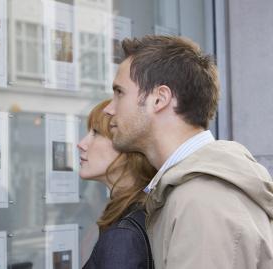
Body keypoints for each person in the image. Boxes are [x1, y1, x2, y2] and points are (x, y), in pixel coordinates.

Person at [103, 35, 273, 269]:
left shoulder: (202, 200)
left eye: (119, 92)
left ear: (159, 99)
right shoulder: (192, 191)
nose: (109, 109)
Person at [78, 99, 157, 269]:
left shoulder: (124, 234)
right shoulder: (144, 212)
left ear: (128, 147)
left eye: (96, 133)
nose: (81, 144)